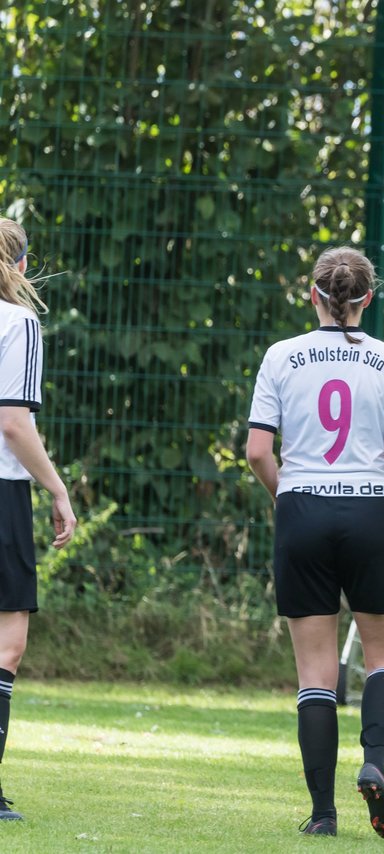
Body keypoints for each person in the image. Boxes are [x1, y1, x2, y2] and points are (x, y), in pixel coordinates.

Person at [246, 247, 384, 838]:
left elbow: (256, 452)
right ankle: (374, 761)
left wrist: (286, 494)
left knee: (315, 674)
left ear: (313, 295)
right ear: (366, 299)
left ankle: (323, 815)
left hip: (304, 508)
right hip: (373, 509)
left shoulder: (281, 356)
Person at [0, 218, 78, 823]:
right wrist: (57, 488)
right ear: (24, 265)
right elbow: (14, 421)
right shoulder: (19, 321)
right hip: (1, 490)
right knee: (7, 644)